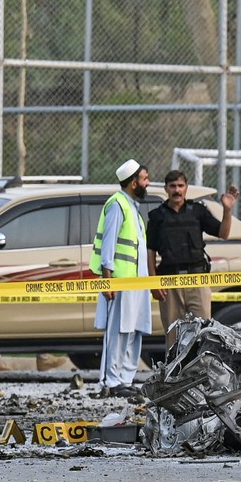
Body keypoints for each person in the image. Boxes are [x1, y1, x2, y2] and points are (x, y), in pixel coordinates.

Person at [147, 170, 238, 348]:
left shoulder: (197, 211)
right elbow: (150, 251)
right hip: (170, 282)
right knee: (173, 335)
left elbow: (223, 233)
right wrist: (154, 282)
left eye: (180, 186)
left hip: (198, 279)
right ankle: (175, 375)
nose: (177, 190)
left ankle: (202, 373)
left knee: (203, 332)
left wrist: (227, 210)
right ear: (166, 188)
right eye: (172, 186)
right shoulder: (157, 216)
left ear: (186, 188)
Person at [90, 159, 152, 397]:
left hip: (138, 283)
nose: (147, 183)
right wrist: (108, 281)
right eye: (145, 179)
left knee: (134, 331)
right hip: (120, 282)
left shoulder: (133, 207)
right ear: (134, 182)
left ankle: (125, 379)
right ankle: (111, 381)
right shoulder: (117, 204)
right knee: (117, 333)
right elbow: (108, 246)